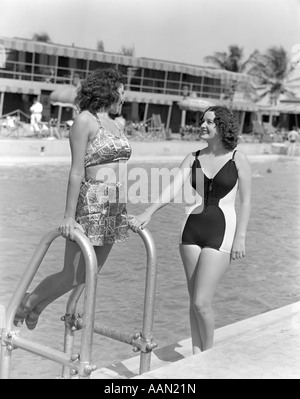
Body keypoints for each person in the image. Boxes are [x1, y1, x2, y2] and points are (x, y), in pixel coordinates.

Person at [14, 68, 131, 329]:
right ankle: (26, 303)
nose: (124, 98)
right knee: (73, 273)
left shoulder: (118, 123)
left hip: (114, 203)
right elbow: (76, 170)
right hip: (91, 203)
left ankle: (37, 306)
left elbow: (120, 166)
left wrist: (124, 206)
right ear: (108, 91)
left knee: (90, 273)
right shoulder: (84, 121)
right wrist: (68, 215)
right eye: (122, 92)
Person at [129, 106, 252, 353]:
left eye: (208, 122)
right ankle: (197, 354)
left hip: (222, 232)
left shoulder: (237, 158)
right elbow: (172, 190)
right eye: (202, 121)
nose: (202, 126)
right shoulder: (192, 157)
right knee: (193, 300)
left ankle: (209, 356)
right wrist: (148, 212)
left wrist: (241, 237)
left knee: (202, 302)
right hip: (190, 231)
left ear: (222, 127)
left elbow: (246, 201)